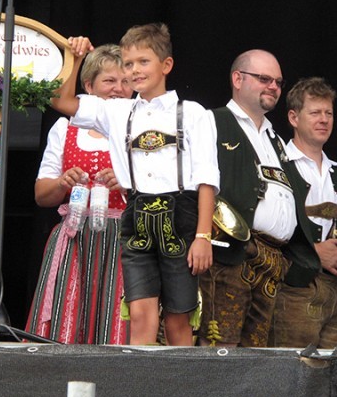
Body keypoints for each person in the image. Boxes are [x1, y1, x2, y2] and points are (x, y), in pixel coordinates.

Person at [50, 23, 218, 346]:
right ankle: (141, 377)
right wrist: (75, 58)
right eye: (128, 64)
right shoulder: (117, 111)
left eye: (143, 62)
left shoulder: (193, 113)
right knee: (140, 313)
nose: (134, 70)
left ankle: (180, 378)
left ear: (166, 65)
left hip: (180, 217)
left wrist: (203, 236)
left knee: (178, 318)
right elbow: (61, 100)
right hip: (137, 215)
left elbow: (207, 179)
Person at [26, 42, 132, 344]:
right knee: (67, 316)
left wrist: (127, 182)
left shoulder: (138, 127)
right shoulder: (65, 128)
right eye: (109, 80)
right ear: (88, 85)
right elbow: (41, 196)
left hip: (123, 239)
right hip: (76, 238)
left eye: (125, 81)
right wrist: (63, 182)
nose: (119, 88)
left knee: (115, 321)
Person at [198, 50, 296, 347]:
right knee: (220, 350)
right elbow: (197, 183)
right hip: (230, 256)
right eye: (264, 79)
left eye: (278, 82)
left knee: (256, 359)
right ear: (237, 79)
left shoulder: (275, 138)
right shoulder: (211, 121)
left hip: (271, 262)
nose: (274, 87)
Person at [269, 77, 337, 349]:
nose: (323, 120)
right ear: (293, 118)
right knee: (297, 368)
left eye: (328, 113)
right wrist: (312, 253)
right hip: (293, 291)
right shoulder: (276, 166)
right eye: (315, 112)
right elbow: (264, 230)